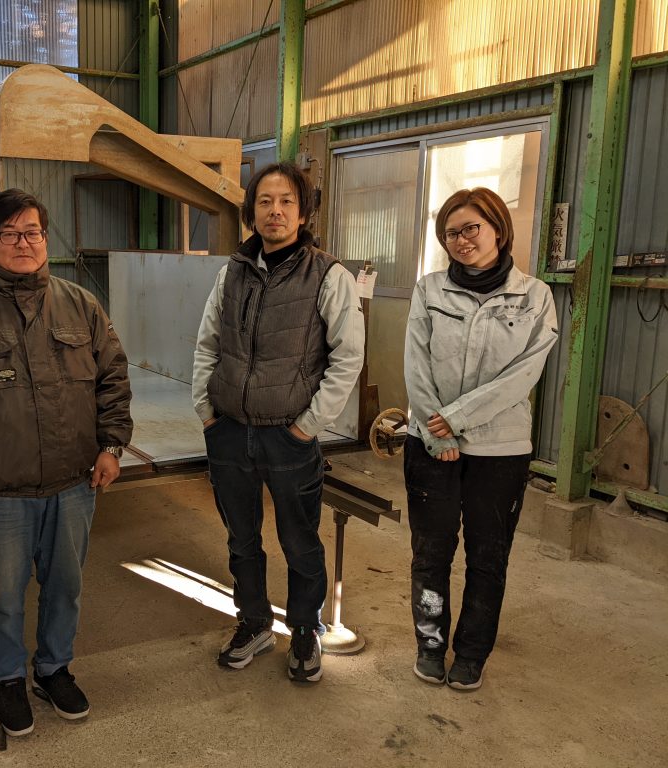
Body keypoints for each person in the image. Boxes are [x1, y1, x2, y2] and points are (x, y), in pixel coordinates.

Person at [0, 188, 133, 736]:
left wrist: (111, 446)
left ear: (45, 239)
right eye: (9, 234)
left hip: (74, 483)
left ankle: (54, 670)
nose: (23, 243)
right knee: (4, 594)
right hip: (0, 489)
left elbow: (113, 379)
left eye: (32, 232)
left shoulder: (81, 304)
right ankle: (9, 679)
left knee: (65, 587)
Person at [192, 162, 365, 683]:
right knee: (241, 539)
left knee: (299, 540)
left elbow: (347, 358)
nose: (275, 211)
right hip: (229, 432)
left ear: (304, 212)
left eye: (287, 201)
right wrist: (207, 412)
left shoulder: (328, 275)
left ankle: (306, 629)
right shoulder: (232, 273)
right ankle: (254, 623)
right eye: (265, 201)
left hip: (289, 436)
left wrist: (307, 426)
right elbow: (207, 343)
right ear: (251, 213)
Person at [404, 187, 558, 691]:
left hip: (500, 451)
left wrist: (457, 419)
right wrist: (435, 432)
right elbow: (416, 364)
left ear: (497, 228)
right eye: (450, 233)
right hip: (430, 445)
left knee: (488, 559)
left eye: (471, 228)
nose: (461, 240)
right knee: (431, 554)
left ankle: (471, 654)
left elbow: (523, 374)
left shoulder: (534, 296)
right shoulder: (429, 289)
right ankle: (430, 645)